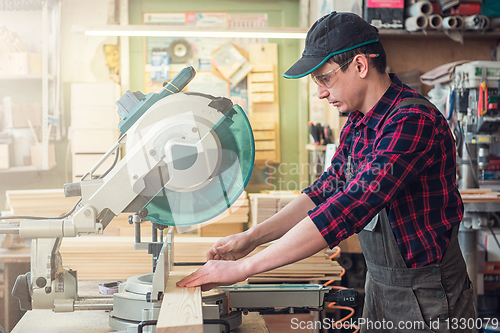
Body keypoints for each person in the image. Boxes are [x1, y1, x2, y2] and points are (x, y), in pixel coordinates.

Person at [178, 11, 475, 332]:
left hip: (431, 296)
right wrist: (252, 238)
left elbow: (351, 207)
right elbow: (325, 192)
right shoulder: (359, 123)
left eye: (324, 78)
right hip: (382, 289)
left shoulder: (412, 120)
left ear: (360, 66)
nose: (320, 92)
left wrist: (247, 268)